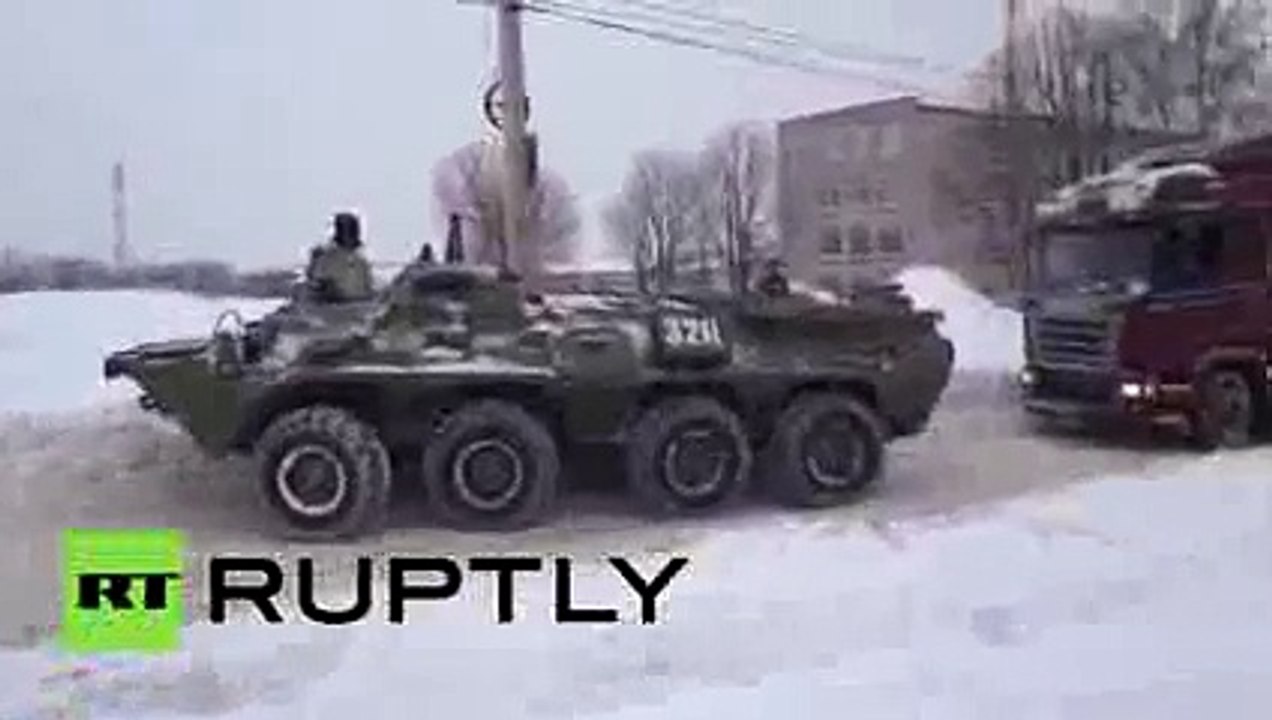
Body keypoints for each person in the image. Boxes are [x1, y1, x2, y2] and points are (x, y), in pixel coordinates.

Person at [305, 211, 374, 302]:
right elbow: (368, 287)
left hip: (337, 305)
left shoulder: (327, 259)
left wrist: (314, 262)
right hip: (359, 305)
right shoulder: (362, 262)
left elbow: (315, 285)